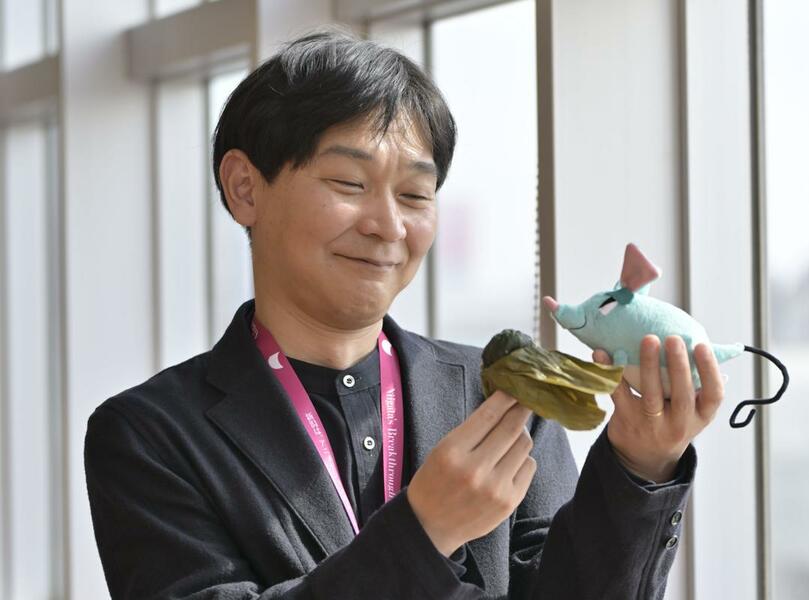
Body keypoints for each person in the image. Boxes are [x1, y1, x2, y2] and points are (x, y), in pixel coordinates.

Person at [84, 27, 724, 599]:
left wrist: (640, 465)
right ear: (245, 187)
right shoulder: (149, 435)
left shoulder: (501, 396)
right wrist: (424, 531)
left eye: (416, 194)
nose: (388, 225)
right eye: (349, 184)